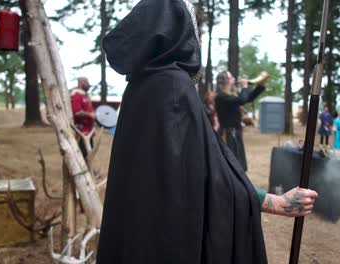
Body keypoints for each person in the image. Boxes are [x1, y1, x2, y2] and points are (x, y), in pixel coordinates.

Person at [97, 1, 318, 263]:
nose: (197, 39)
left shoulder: (139, 86)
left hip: (139, 234)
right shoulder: (174, 87)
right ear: (178, 31)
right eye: (194, 30)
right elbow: (210, 178)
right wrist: (276, 202)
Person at [215, 71, 266, 172]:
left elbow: (247, 98)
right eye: (231, 77)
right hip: (228, 134)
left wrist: (260, 86)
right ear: (225, 81)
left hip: (234, 134)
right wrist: (244, 86)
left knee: (239, 165)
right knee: (232, 165)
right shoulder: (221, 97)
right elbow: (242, 100)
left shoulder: (230, 95)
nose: (234, 79)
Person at [71, 77, 96, 158]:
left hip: (88, 131)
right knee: (83, 153)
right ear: (82, 83)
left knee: (89, 152)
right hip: (81, 131)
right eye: (87, 84)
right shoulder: (76, 95)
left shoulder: (85, 96)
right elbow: (77, 112)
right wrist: (90, 115)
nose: (89, 87)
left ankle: (89, 168)